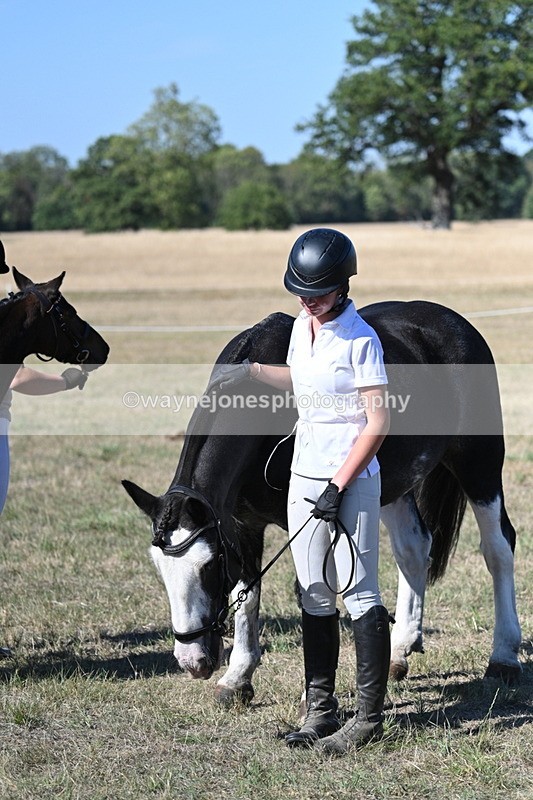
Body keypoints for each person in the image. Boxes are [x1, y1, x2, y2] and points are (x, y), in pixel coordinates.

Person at [211, 228, 391, 755]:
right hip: (303, 475)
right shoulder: (299, 327)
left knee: (359, 594)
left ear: (343, 286)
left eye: (317, 293)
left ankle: (368, 719)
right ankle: (320, 710)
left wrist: (339, 484)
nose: (307, 301)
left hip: (351, 481)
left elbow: (379, 422)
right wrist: (249, 372)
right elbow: (301, 378)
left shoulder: (361, 340)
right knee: (313, 591)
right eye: (300, 292)